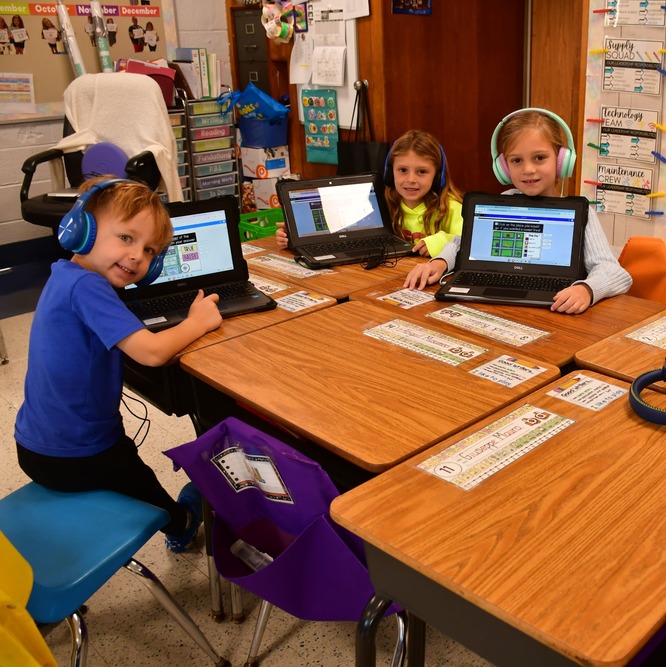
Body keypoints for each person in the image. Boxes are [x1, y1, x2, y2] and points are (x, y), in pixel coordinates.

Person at [14, 177, 223, 553]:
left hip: (33, 446)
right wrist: (197, 321)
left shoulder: (65, 274)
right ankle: (181, 525)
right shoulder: (89, 287)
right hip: (82, 453)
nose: (137, 257)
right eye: (126, 238)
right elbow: (152, 353)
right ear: (82, 227)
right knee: (143, 485)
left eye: (149, 250)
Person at [404, 108, 632, 313]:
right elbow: (460, 243)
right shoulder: (503, 201)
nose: (528, 169)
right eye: (516, 161)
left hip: (554, 313)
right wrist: (439, 262)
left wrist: (587, 289)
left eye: (540, 158)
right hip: (495, 313)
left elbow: (614, 272)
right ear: (503, 168)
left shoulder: (583, 214)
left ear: (562, 161)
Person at [275, 130, 463, 258]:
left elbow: (470, 245)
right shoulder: (381, 202)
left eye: (422, 172)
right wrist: (296, 231)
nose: (411, 179)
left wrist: (441, 241)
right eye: (402, 170)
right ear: (390, 173)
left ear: (437, 175)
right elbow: (342, 228)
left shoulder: (451, 209)